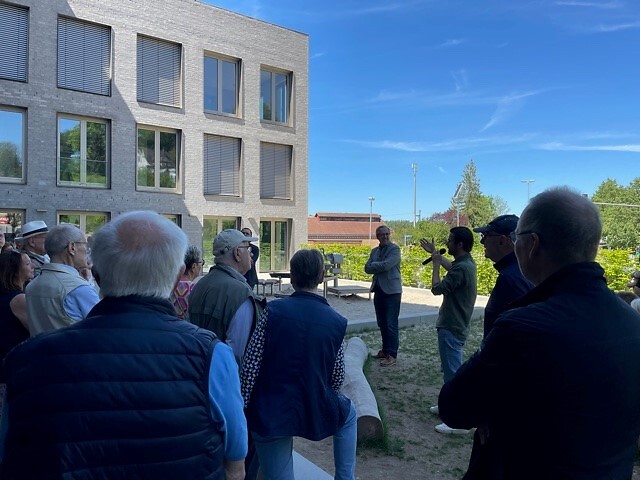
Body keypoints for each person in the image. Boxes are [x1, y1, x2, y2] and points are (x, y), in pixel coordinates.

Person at [0, 211, 247, 480]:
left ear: (95, 274)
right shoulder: (211, 354)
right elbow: (235, 461)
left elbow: (9, 455)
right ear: (178, 276)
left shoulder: (25, 360)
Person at [438, 187, 640, 479]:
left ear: (531, 244)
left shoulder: (522, 327)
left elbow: (454, 407)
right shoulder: (631, 321)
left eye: (517, 237)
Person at [241, 249, 357, 480]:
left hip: (270, 409)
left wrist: (243, 408)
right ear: (321, 277)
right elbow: (336, 378)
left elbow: (250, 368)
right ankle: (345, 477)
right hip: (314, 401)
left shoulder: (273, 311)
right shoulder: (336, 322)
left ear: (292, 277)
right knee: (350, 414)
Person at [420, 227, 477, 434]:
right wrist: (435, 254)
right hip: (456, 324)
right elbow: (452, 267)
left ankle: (459, 421)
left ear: (459, 244)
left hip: (452, 325)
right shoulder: (466, 263)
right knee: (449, 370)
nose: (447, 243)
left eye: (450, 240)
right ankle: (448, 406)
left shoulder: (461, 269)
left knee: (453, 374)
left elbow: (437, 289)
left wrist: (435, 265)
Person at [189, 229, 263, 365]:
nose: (251, 253)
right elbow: (237, 354)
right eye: (248, 248)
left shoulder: (200, 284)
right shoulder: (240, 292)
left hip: (196, 369)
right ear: (237, 253)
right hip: (223, 374)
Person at [25, 224, 100, 336]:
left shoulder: (31, 286)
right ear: (72, 247)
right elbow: (104, 327)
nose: (88, 250)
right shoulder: (78, 288)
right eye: (85, 244)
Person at [473, 215, 533, 338]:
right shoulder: (525, 270)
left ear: (502, 241)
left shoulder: (510, 279)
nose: (482, 242)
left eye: (486, 236)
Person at [0, 250, 34, 418]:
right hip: (12, 372)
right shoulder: (19, 300)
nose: (32, 266)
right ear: (15, 271)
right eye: (27, 263)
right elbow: (37, 330)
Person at [364, 225, 402, 367]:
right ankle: (385, 350)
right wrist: (377, 265)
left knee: (391, 324)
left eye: (387, 234)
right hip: (379, 290)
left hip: (392, 292)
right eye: (382, 234)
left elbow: (387, 265)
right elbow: (366, 268)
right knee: (382, 323)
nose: (385, 236)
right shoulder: (374, 251)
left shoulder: (395, 250)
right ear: (377, 236)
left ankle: (392, 354)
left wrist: (374, 265)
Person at [170, 245, 203, 319]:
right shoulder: (196, 289)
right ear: (194, 266)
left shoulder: (168, 287)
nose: (201, 266)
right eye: (201, 262)